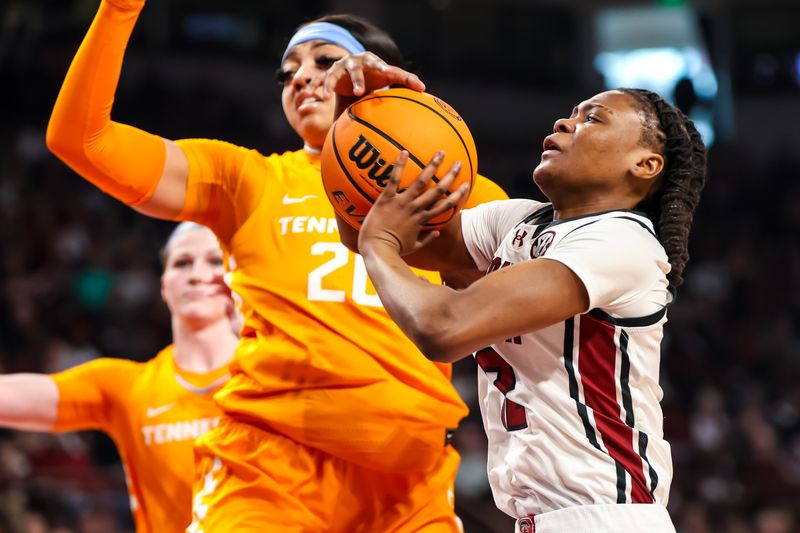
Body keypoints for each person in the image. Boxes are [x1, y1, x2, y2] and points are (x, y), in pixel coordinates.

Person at [45, 1, 508, 531]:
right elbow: (82, 140)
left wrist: (411, 115)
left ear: (379, 73)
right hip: (269, 470)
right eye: (288, 72)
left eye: (325, 60)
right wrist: (119, 9)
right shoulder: (247, 179)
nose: (302, 78)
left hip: (409, 481)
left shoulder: (452, 189)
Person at [338, 84, 707, 532]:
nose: (563, 123)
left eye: (593, 118)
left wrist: (378, 244)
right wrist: (355, 126)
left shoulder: (622, 241)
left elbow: (441, 326)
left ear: (645, 165)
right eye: (572, 112)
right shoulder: (517, 222)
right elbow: (368, 223)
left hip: (605, 517)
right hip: (541, 519)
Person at [0, 222, 237, 532]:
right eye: (182, 262)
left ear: (236, 277)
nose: (198, 273)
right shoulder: (128, 388)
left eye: (215, 260)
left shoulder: (274, 377)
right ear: (164, 285)